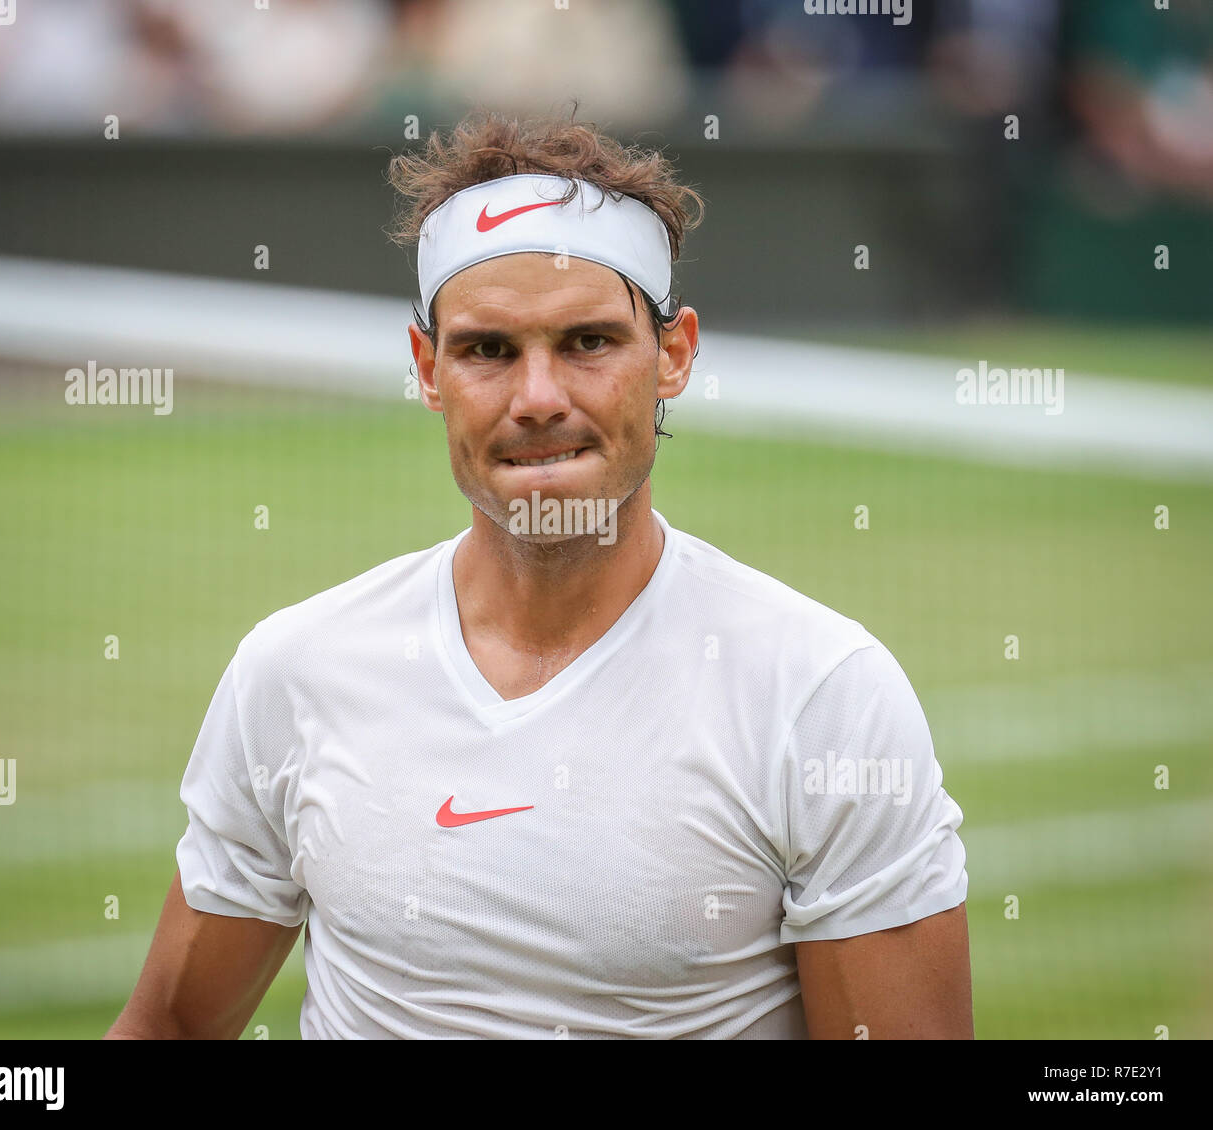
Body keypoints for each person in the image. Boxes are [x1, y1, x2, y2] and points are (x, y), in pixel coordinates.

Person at [106, 107, 972, 1040]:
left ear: (674, 355)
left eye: (589, 342)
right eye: (488, 350)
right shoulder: (292, 669)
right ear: (427, 368)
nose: (539, 399)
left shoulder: (822, 693)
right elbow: (169, 1029)